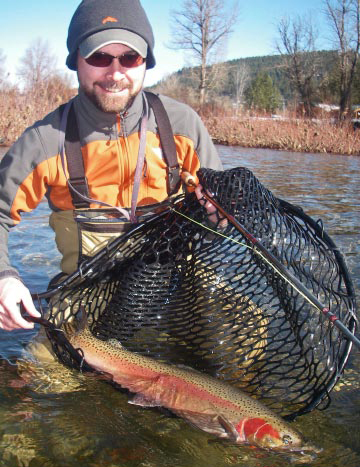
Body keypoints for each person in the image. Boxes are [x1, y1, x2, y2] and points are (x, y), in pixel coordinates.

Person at [0, 0, 223, 333]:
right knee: (49, 381)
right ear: (76, 60)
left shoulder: (183, 125)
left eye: (130, 58)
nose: (115, 73)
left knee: (248, 342)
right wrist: (4, 279)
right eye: (100, 57)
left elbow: (225, 217)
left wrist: (219, 216)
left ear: (146, 62)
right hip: (85, 302)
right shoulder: (44, 141)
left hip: (177, 291)